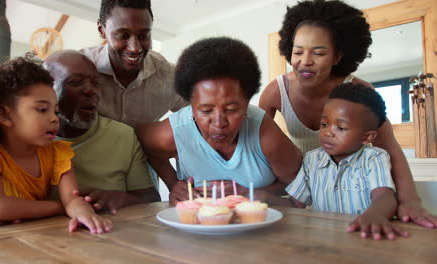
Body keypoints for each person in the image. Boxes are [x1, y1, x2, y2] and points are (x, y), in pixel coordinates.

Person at [258, 0, 437, 227]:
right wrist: (260, 192)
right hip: (310, 187)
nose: (305, 62)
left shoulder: (358, 92)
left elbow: (389, 147)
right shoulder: (276, 91)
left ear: (338, 56)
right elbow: (254, 142)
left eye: (319, 53)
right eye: (297, 51)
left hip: (356, 190)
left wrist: (411, 199)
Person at [137, 37, 303, 204]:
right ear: (191, 108)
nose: (219, 123)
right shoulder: (175, 133)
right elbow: (144, 143)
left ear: (246, 105)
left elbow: (300, 186)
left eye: (231, 109)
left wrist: (249, 193)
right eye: (206, 111)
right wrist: (173, 185)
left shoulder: (265, 135)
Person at [0, 54, 112, 233]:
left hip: (28, 234)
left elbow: (73, 198)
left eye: (56, 111)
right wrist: (61, 207)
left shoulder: (58, 153)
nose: (54, 119)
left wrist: (83, 213)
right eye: (42, 109)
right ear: (5, 115)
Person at [278, 83, 408, 240]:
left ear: (367, 137)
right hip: (324, 242)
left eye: (341, 128)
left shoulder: (374, 158)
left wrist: (376, 214)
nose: (328, 133)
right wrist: (265, 200)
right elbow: (295, 204)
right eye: (324, 124)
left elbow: (384, 197)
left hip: (363, 238)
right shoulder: (312, 160)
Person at [43, 50, 160, 214]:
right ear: (48, 90)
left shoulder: (123, 136)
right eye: (76, 82)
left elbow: (151, 198)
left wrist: (121, 198)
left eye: (96, 82)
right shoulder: (30, 141)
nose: (91, 91)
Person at [81, 0, 187, 128]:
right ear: (101, 30)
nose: (135, 48)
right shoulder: (74, 70)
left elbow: (199, 115)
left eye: (144, 35)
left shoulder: (170, 77)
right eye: (123, 35)